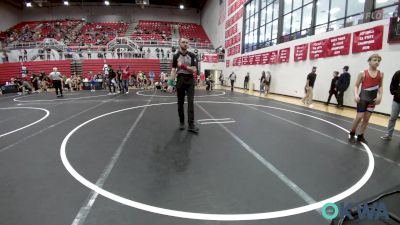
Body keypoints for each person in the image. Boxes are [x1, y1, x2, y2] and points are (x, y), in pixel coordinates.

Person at [349, 54, 384, 143]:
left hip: (372, 100)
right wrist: (356, 95)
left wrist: (380, 97)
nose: (377, 62)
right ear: (369, 61)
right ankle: (352, 132)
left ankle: (361, 135)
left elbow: (380, 87)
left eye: (378, 61)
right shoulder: (363, 73)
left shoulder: (381, 74)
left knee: (367, 119)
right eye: (375, 60)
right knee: (359, 116)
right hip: (362, 99)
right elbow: (356, 86)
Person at [168, 37, 199, 133]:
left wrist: (182, 66)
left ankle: (191, 124)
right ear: (179, 44)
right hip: (180, 79)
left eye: (187, 42)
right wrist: (170, 84)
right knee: (180, 103)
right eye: (183, 42)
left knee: (190, 102)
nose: (185, 44)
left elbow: (194, 69)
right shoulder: (176, 56)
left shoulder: (192, 55)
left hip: (190, 80)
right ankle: (182, 122)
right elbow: (173, 70)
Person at [381, 70, 400, 140]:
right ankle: (389, 135)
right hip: (397, 101)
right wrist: (395, 92)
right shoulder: (398, 73)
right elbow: (392, 84)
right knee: (392, 118)